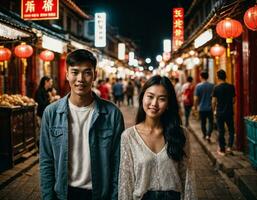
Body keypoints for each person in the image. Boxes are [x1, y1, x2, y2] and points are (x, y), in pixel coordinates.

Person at [39, 49, 125, 200]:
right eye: (75, 72)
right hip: (64, 194)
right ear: (67, 75)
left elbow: (118, 163)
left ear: (95, 75)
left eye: (87, 72)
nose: (80, 79)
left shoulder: (112, 114)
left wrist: (114, 196)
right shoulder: (51, 113)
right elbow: (46, 161)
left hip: (99, 194)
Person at [118, 75, 196, 200]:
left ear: (168, 103)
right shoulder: (129, 137)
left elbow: (187, 179)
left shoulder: (181, 134)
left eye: (162, 99)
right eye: (150, 96)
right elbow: (125, 182)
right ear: (142, 97)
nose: (154, 103)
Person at [212, 69, 235, 156]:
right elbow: (233, 100)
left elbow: (213, 101)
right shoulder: (231, 87)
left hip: (220, 113)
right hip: (229, 112)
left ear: (218, 77)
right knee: (231, 130)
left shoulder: (216, 88)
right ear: (226, 76)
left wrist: (214, 110)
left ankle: (222, 149)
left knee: (221, 131)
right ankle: (229, 147)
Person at [194, 71, 214, 142]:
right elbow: (214, 98)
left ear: (201, 77)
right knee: (211, 122)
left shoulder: (198, 86)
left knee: (203, 122)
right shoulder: (212, 86)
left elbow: (196, 98)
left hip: (202, 108)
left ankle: (205, 134)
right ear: (208, 77)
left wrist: (195, 107)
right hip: (210, 108)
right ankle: (208, 135)